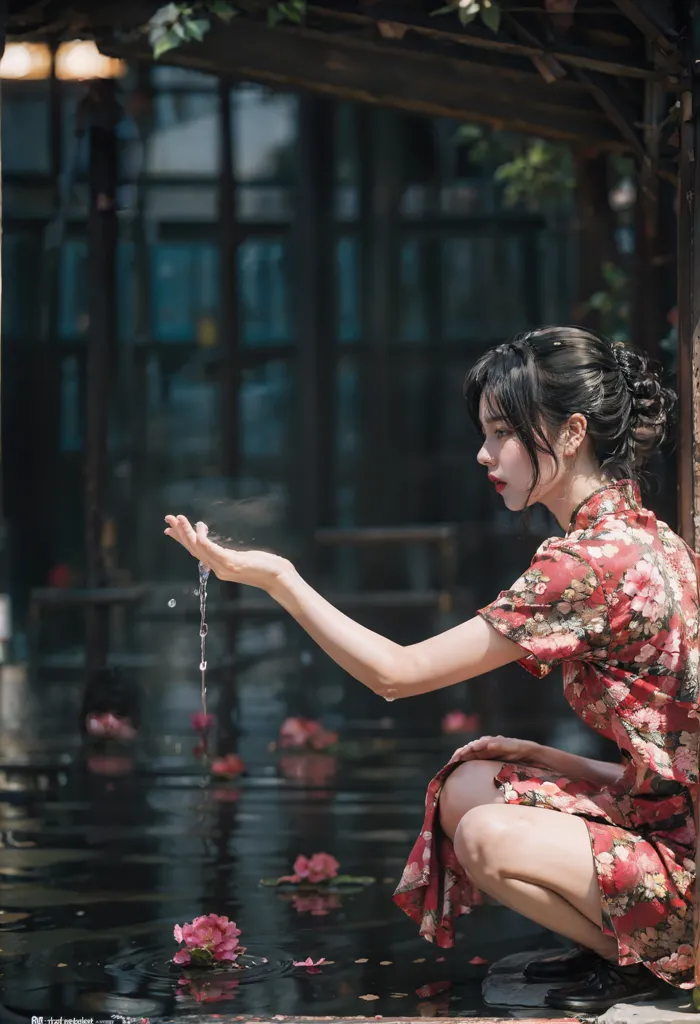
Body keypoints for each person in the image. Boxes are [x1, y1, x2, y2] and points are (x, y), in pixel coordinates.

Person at [164, 325, 699, 1014]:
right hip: (673, 830)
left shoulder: (585, 566)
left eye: (502, 432)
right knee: (466, 786)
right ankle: (621, 943)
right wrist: (552, 760)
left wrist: (279, 578)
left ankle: (641, 961)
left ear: (569, 435)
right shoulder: (644, 534)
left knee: (483, 832)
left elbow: (397, 673)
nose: (484, 454)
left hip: (683, 872)